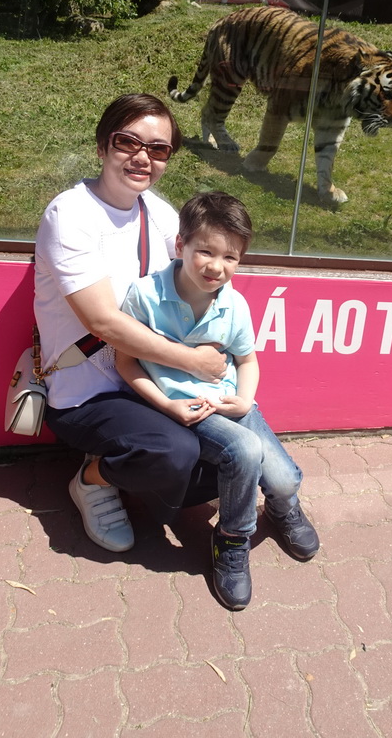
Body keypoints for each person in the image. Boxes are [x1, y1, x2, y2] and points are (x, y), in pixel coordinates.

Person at [34, 93, 227, 553]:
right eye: (128, 142)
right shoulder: (71, 214)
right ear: (103, 146)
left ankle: (139, 464)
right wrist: (193, 362)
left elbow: (201, 283)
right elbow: (103, 320)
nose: (143, 157)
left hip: (146, 378)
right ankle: (92, 479)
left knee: (229, 459)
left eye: (158, 149)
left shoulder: (160, 215)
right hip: (85, 391)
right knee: (172, 454)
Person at [117, 191, 319, 610]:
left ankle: (283, 509)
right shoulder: (144, 296)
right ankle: (231, 539)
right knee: (243, 451)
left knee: (283, 481)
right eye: (204, 251)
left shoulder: (235, 305)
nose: (216, 267)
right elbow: (125, 363)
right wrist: (165, 404)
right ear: (180, 245)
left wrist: (246, 401)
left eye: (230, 258)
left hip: (229, 402)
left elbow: (248, 361)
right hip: (182, 408)